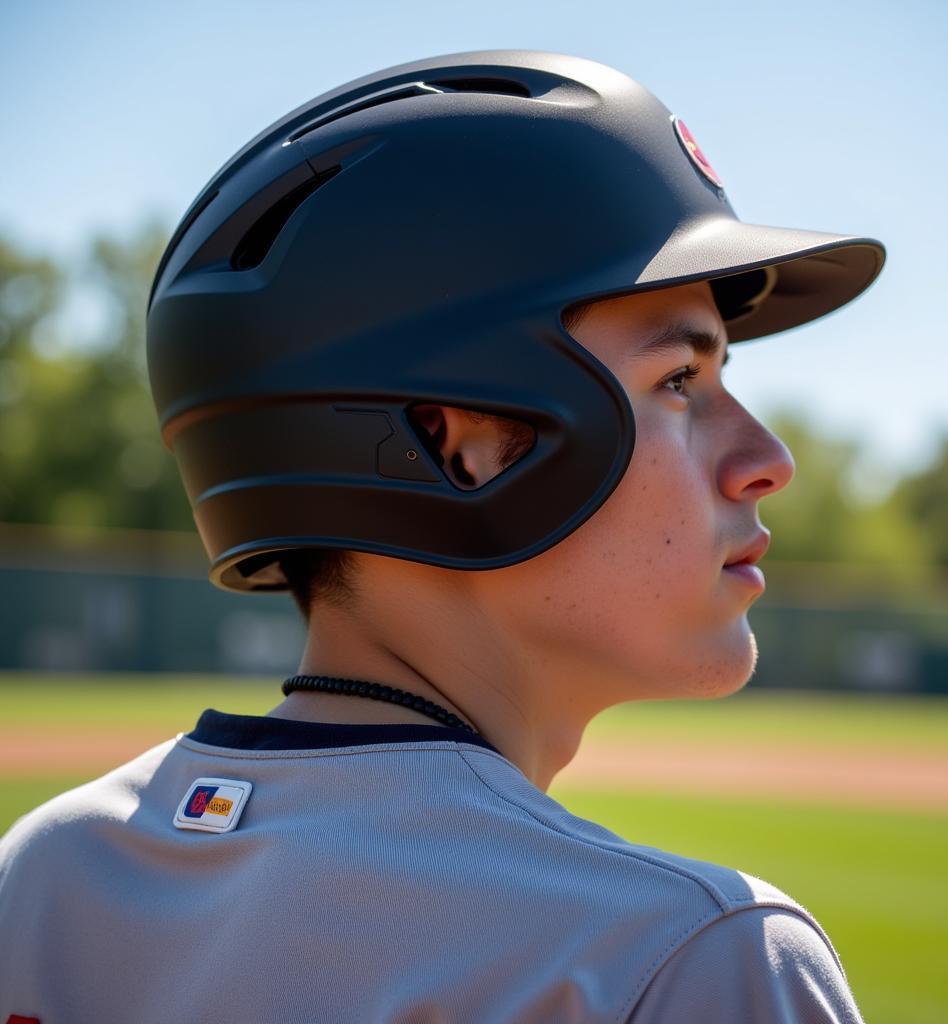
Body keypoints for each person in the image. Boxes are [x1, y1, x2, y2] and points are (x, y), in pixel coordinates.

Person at [0, 49, 884, 1022]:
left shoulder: (43, 874)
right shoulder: (687, 960)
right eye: (679, 380)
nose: (767, 458)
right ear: (460, 444)